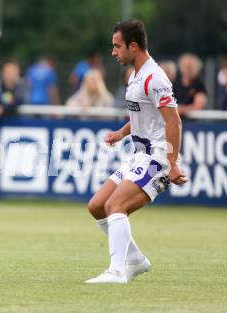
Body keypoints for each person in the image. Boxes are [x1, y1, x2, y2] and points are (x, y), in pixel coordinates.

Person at [84, 19, 187, 284]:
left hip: (158, 157)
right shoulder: (135, 76)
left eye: (117, 46)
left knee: (115, 205)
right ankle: (136, 260)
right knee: (97, 206)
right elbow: (145, 114)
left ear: (133, 46)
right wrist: (121, 132)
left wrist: (172, 163)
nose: (113, 52)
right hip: (138, 155)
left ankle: (117, 271)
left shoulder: (155, 78)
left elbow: (173, 121)